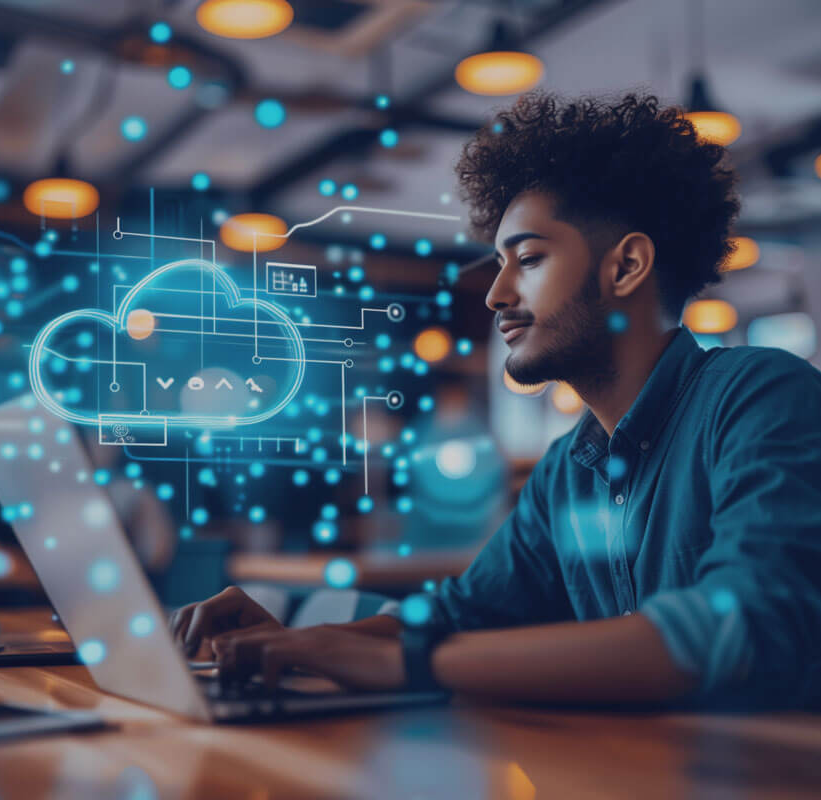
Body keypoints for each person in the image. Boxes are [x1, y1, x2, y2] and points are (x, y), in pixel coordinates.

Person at [169, 91, 821, 708]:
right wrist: (303, 643)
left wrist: (405, 663)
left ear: (624, 267)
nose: (495, 294)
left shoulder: (761, 396)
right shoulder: (567, 471)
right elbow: (461, 617)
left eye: (528, 259)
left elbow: (741, 630)